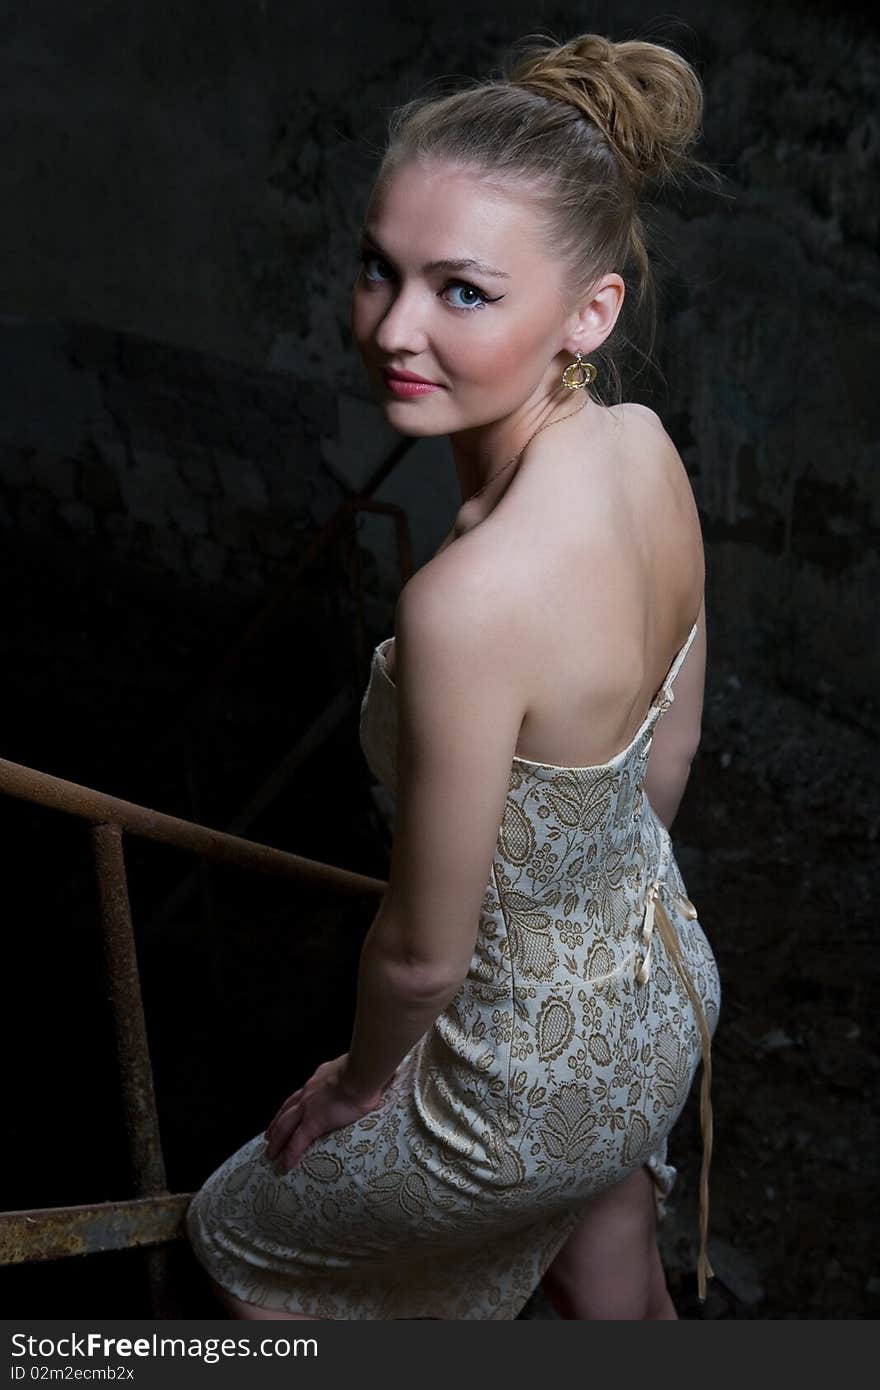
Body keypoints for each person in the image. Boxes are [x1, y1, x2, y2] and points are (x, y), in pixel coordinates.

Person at [185, 29, 722, 1321]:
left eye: (463, 291)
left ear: (590, 309)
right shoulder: (645, 446)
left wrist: (359, 1089)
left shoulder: (465, 604)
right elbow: (667, 757)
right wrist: (586, 969)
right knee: (615, 1280)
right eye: (383, 271)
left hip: (528, 1080)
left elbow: (423, 960)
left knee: (233, 1243)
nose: (394, 328)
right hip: (662, 985)